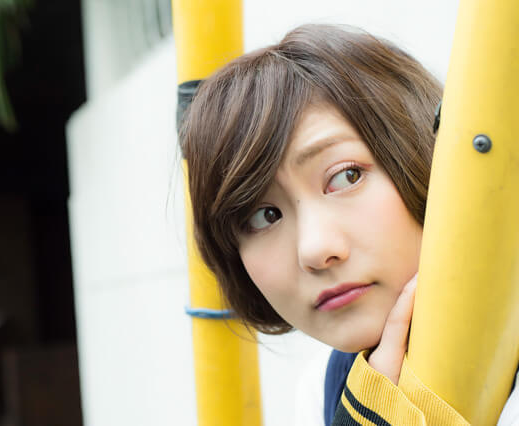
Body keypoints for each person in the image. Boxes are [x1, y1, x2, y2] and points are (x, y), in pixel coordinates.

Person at [180, 24, 517, 425]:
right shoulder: (326, 389)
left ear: (428, 156)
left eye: (346, 176)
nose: (315, 249)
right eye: (263, 216)